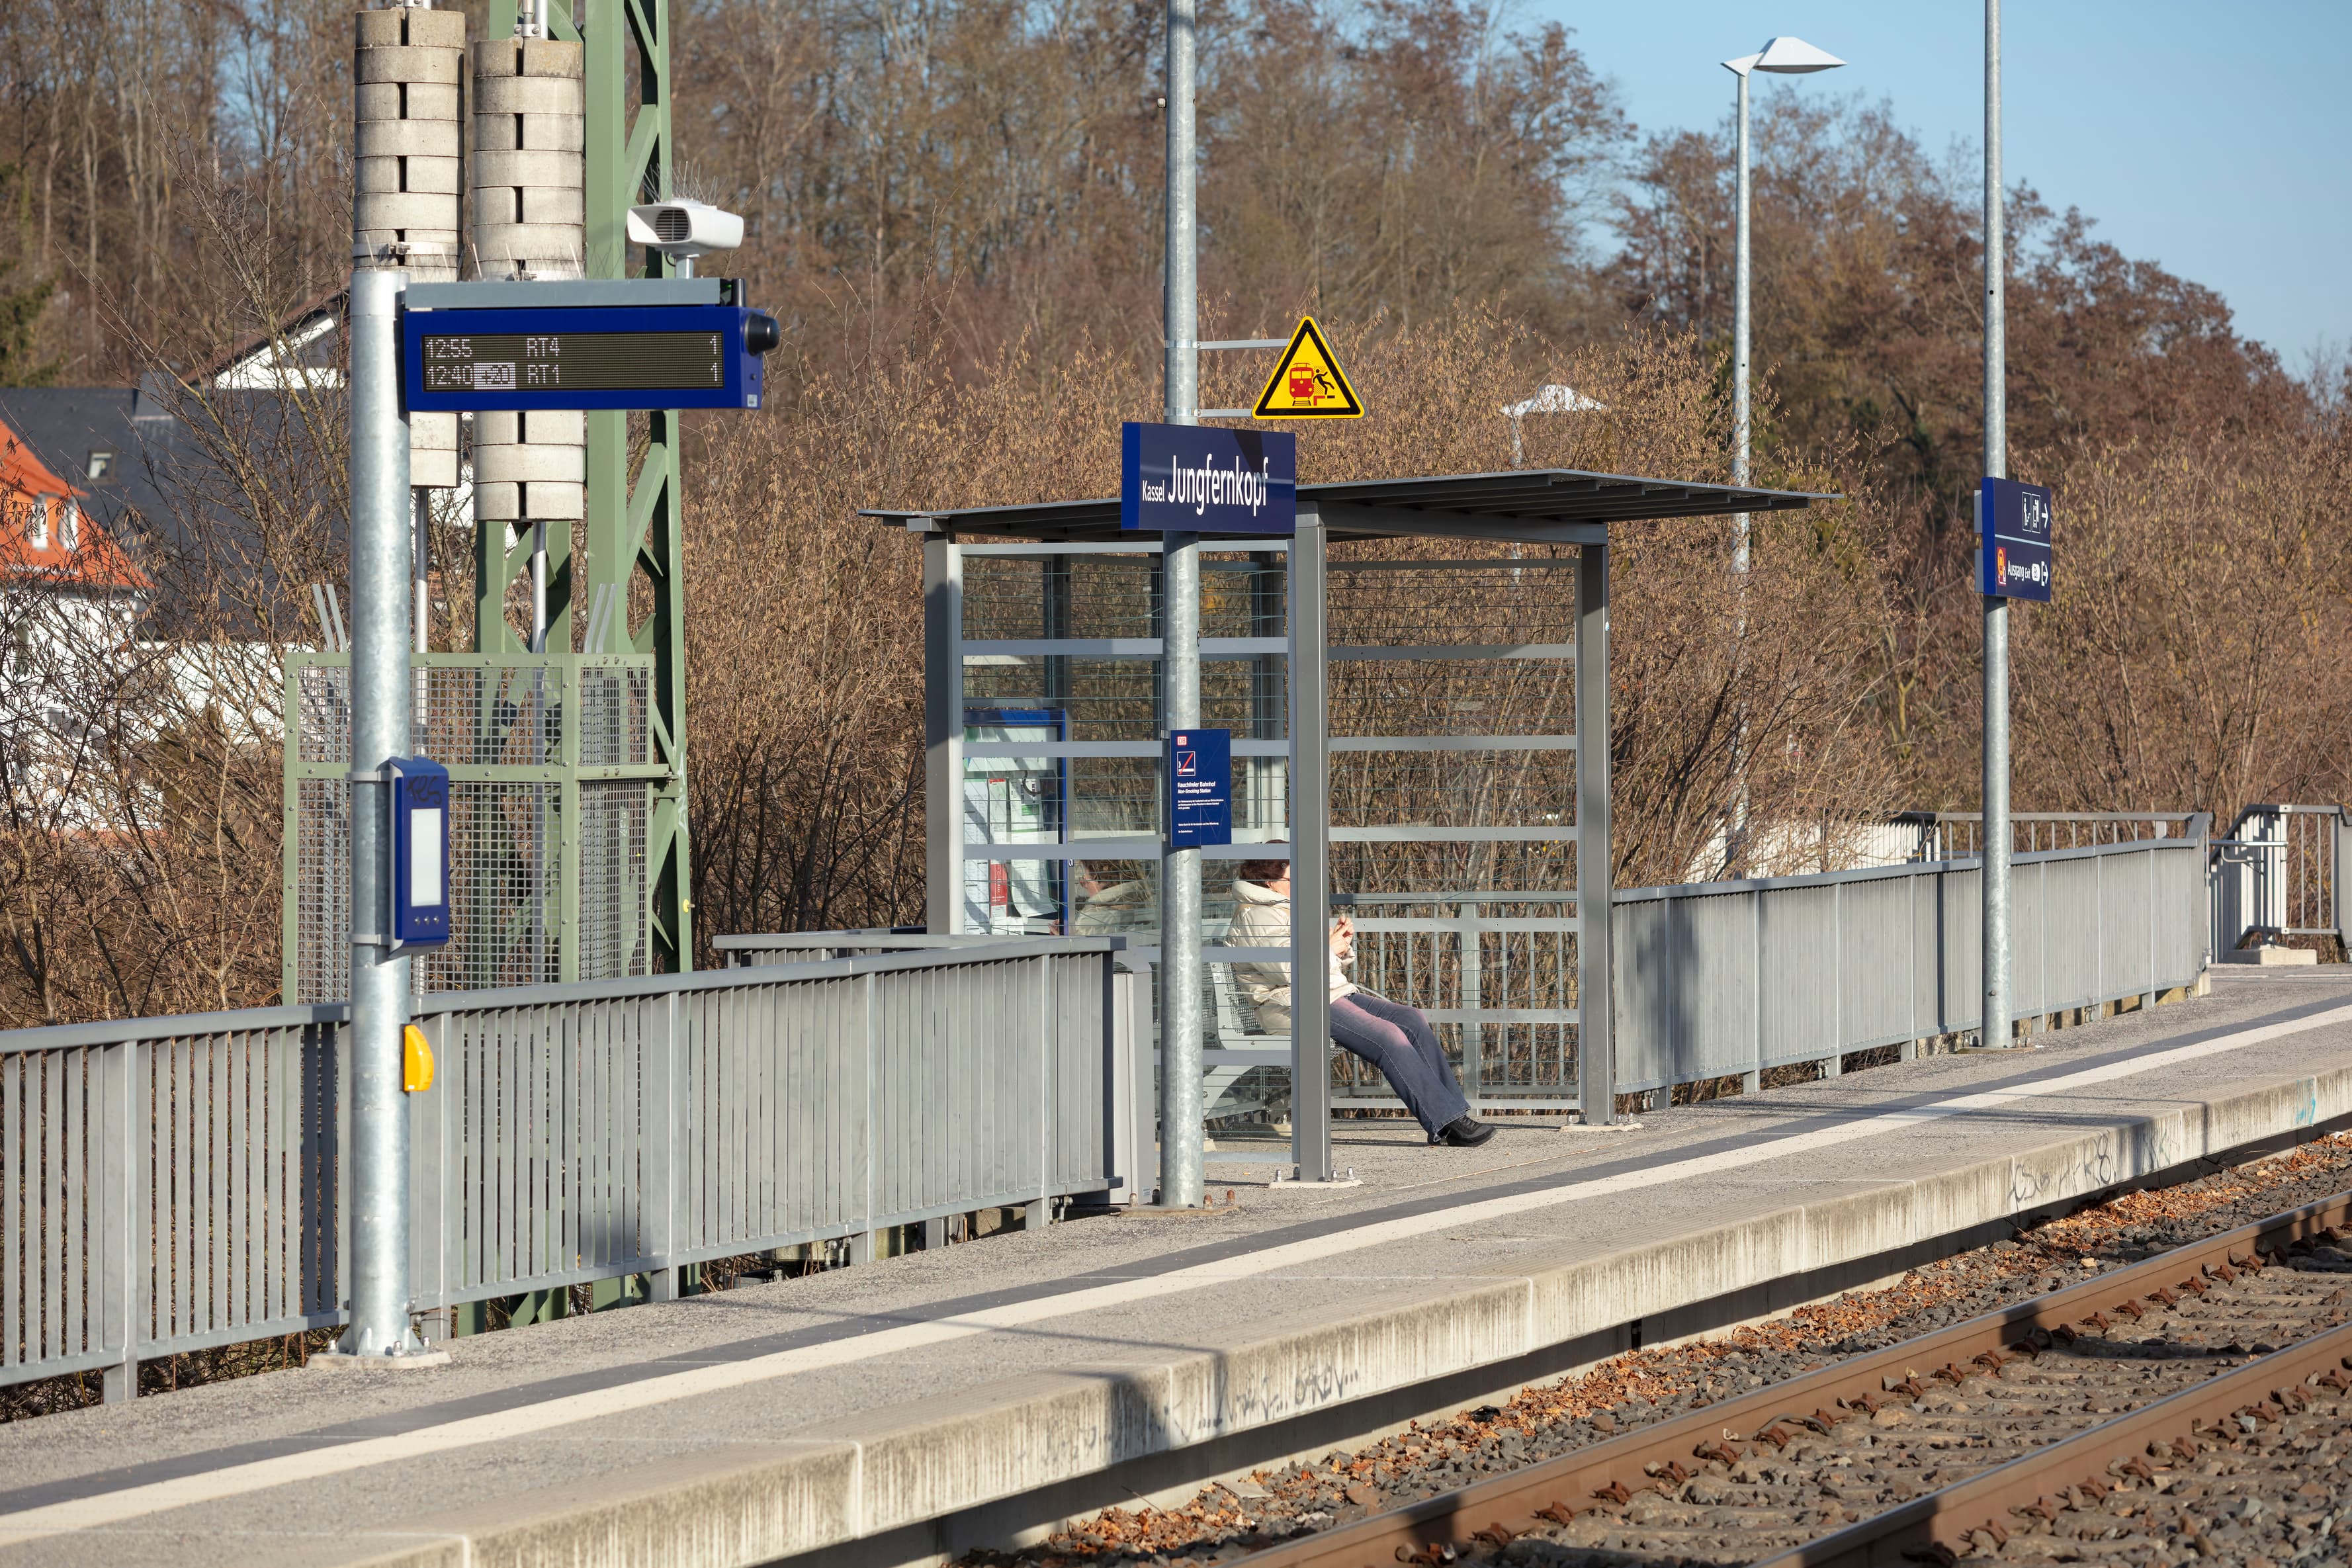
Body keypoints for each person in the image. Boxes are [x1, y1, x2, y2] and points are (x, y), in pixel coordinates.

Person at [1224, 857, 1495, 1147]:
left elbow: (1314, 964)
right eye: (1294, 878)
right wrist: (1329, 947)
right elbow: (1287, 970)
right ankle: (1448, 1122)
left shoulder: (1283, 910)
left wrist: (1338, 944)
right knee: (1388, 1036)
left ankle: (1453, 1117)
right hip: (1294, 1005)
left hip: (1325, 993)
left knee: (1410, 1019)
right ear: (1269, 883)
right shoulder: (1256, 916)